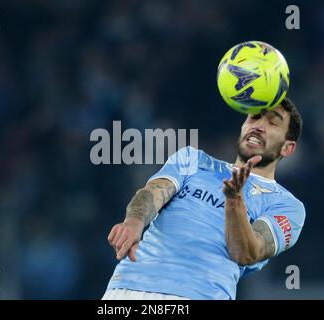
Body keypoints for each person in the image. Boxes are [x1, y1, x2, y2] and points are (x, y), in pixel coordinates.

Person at [103, 97, 305, 300]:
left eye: (272, 122)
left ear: (287, 148)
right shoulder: (192, 160)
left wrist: (234, 201)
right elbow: (153, 192)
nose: (259, 126)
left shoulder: (286, 205)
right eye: (254, 117)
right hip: (126, 288)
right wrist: (134, 222)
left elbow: (247, 253)